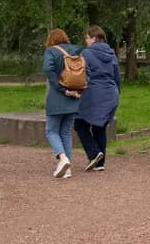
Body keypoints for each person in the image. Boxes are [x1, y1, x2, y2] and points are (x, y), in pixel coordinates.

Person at [75, 25, 120, 172]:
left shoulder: (86, 54)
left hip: (93, 93)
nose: (86, 41)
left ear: (93, 38)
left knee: (79, 124)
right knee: (99, 127)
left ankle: (94, 153)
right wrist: (117, 93)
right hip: (111, 93)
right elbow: (117, 76)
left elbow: (81, 75)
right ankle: (100, 163)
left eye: (87, 38)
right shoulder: (112, 54)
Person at [42, 29, 83, 179]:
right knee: (65, 131)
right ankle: (68, 169)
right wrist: (79, 90)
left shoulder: (51, 51)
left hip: (56, 97)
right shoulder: (77, 50)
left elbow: (47, 68)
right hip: (74, 97)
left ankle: (63, 158)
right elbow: (87, 72)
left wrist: (60, 87)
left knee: (51, 130)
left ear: (50, 40)